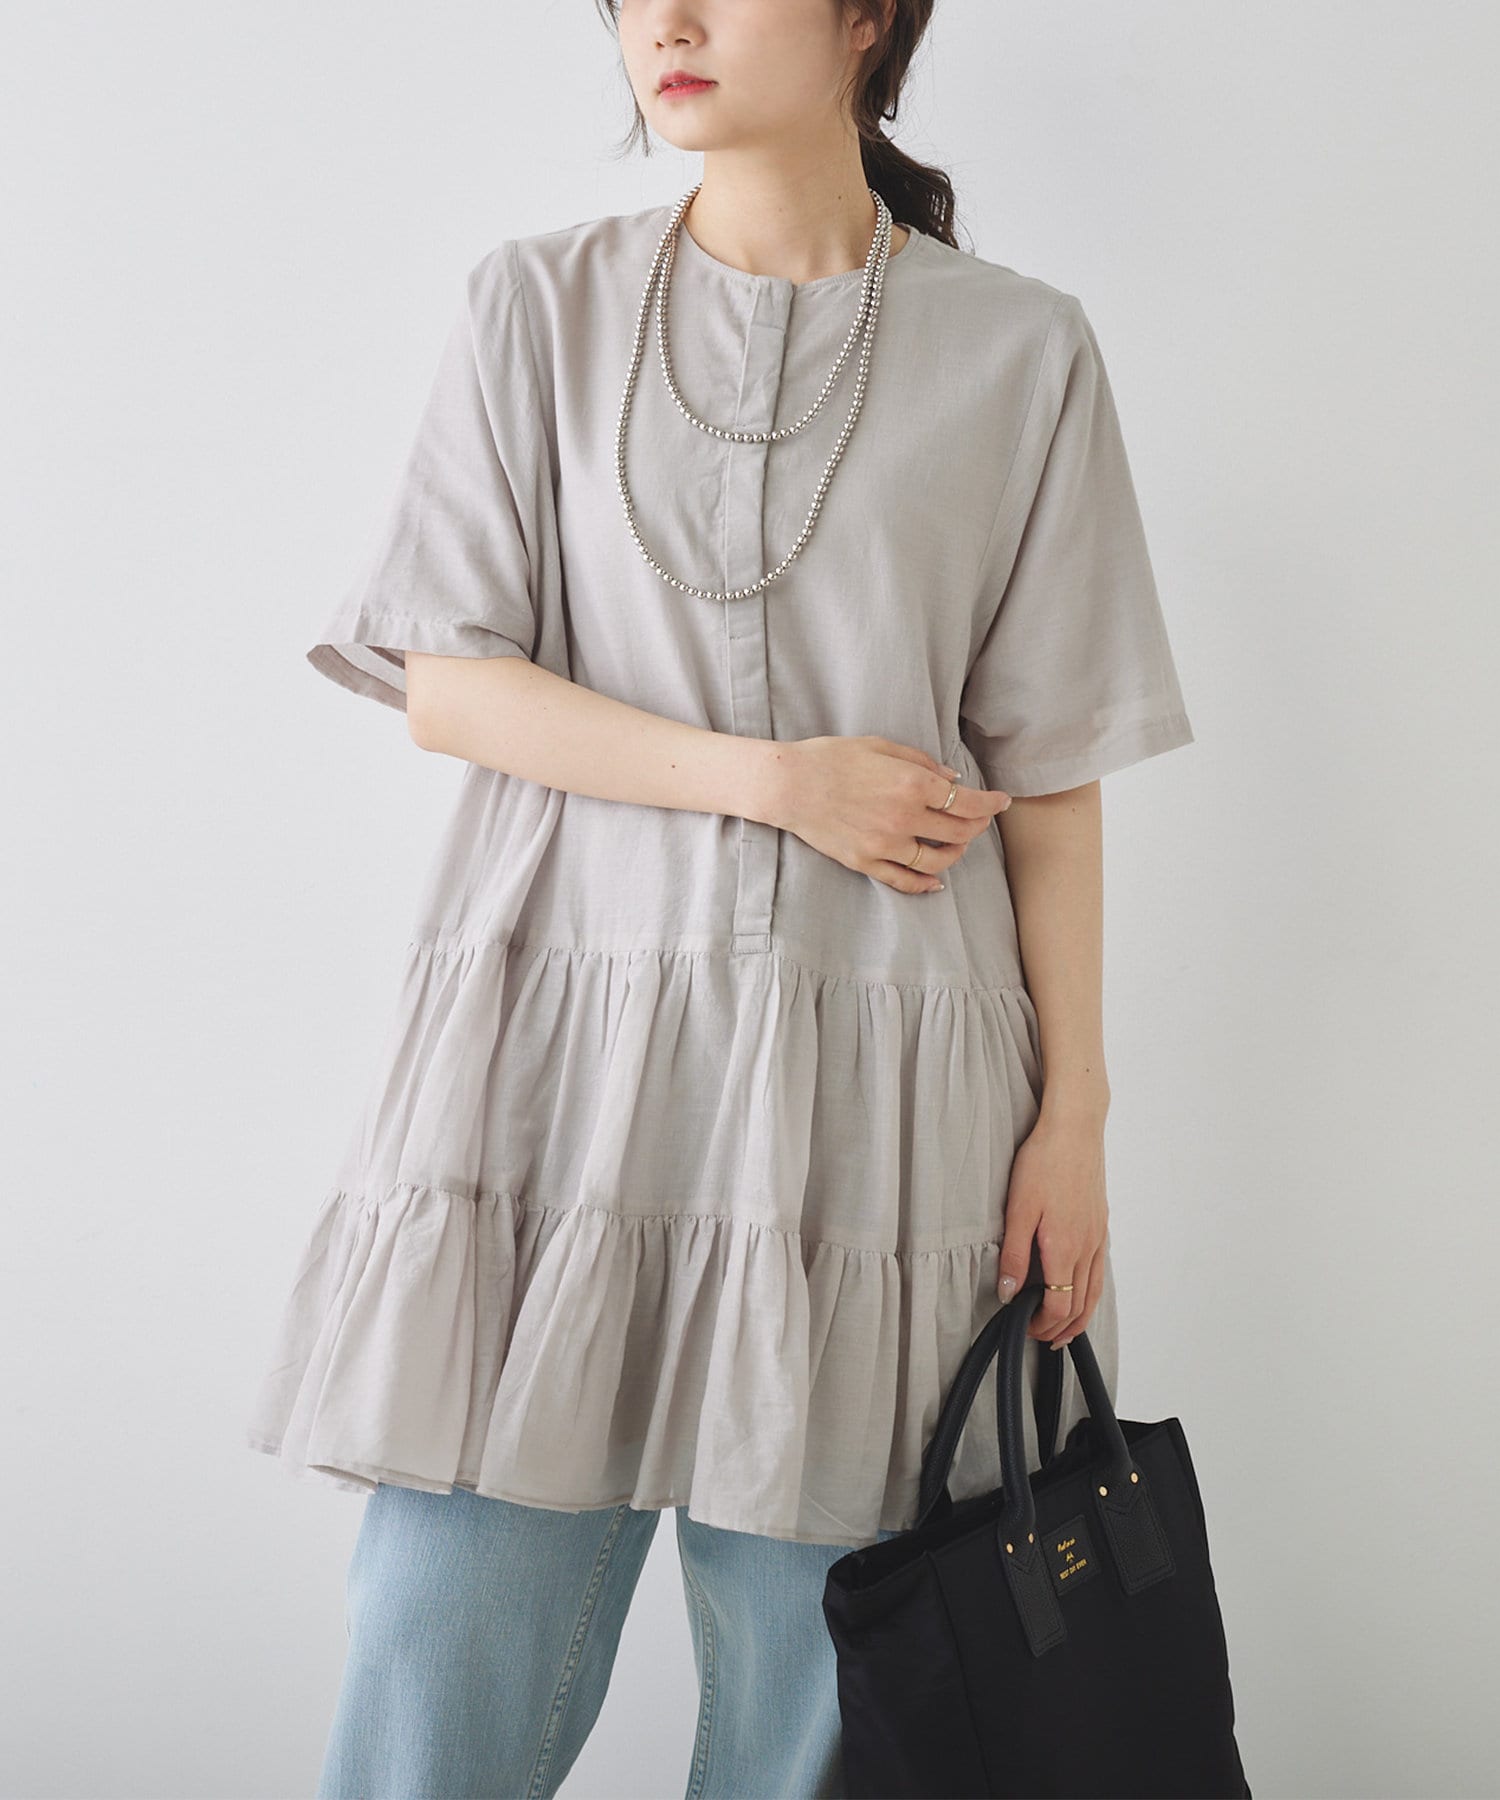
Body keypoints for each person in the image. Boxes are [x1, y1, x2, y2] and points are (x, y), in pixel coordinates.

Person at [244, 1, 1195, 1794]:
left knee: (814, 1697)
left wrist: (1075, 1117)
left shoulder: (1021, 350)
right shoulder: (535, 306)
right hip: (566, 1057)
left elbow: (1053, 773)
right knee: (437, 1643)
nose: (662, 25)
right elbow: (447, 682)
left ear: (867, 17)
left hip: (885, 1096)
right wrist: (776, 782)